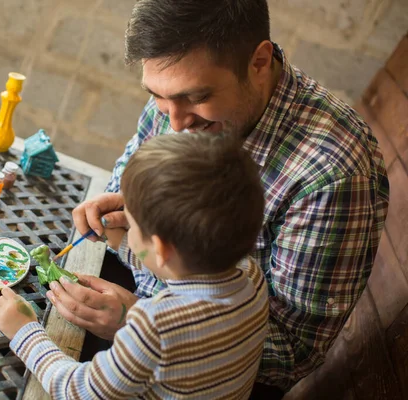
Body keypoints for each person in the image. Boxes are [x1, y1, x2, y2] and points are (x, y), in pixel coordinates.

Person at [46, 0, 390, 396]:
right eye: (158, 96)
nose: (174, 123)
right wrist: (125, 201)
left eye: (196, 97)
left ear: (259, 61)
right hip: (143, 298)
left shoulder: (334, 176)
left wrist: (141, 323)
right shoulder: (180, 92)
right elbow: (129, 178)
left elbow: (294, 353)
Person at [0, 133, 270, 399]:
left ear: (160, 248)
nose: (125, 223)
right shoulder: (251, 276)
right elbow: (174, 264)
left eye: (131, 222)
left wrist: (25, 333)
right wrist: (124, 243)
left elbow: (79, 391)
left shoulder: (154, 326)